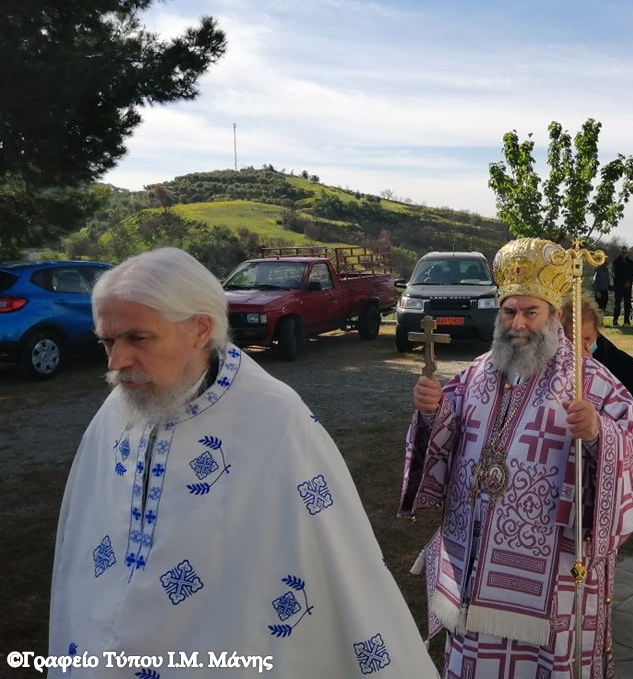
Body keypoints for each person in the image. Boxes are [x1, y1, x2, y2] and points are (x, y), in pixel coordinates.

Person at [49, 247, 437, 678]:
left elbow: (331, 559)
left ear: (199, 329)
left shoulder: (275, 420)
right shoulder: (116, 412)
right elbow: (86, 539)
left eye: (137, 338)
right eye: (107, 340)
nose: (115, 362)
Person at [400, 237, 633, 679]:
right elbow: (449, 436)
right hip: (473, 562)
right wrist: (435, 411)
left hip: (553, 575)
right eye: (509, 311)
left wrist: (600, 433)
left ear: (555, 317)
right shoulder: (478, 372)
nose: (517, 323)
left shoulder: (591, 382)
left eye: (530, 312)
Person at [560, 294, 633, 422]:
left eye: (587, 338)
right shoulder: (553, 366)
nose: (581, 347)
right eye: (573, 340)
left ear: (596, 333)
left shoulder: (631, 372)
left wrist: (591, 369)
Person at [611, 246, 633, 326]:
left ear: (627, 253)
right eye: (622, 252)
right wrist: (621, 283)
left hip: (628, 287)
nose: (624, 254)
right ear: (620, 252)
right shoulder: (616, 262)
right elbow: (614, 274)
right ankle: (615, 321)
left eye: (625, 252)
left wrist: (629, 282)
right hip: (619, 286)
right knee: (617, 304)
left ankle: (626, 321)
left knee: (627, 304)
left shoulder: (630, 262)